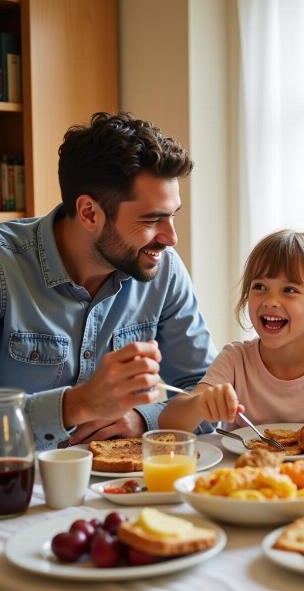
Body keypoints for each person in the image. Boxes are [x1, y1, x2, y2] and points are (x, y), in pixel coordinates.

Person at [0, 112, 216, 450]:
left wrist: (143, 419)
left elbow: (206, 393)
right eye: (152, 219)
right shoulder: (5, 268)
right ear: (89, 213)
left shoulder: (163, 270)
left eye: (173, 215)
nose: (171, 237)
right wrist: (77, 404)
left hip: (122, 491)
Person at [159, 230, 304, 431]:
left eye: (289, 290)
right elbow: (170, 423)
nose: (270, 301)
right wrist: (200, 404)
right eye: (259, 287)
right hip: (244, 467)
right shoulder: (234, 359)